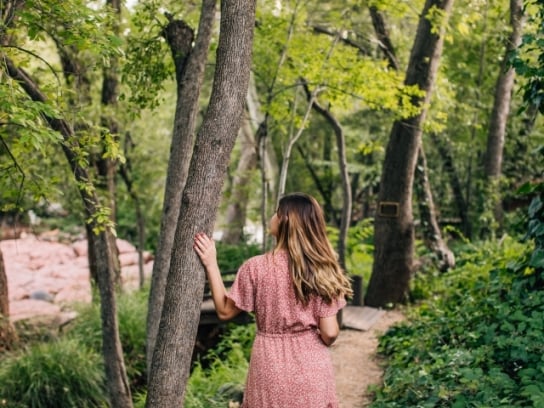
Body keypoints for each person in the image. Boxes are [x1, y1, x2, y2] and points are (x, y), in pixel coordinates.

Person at [193, 192, 353, 408]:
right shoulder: (321, 270)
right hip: (311, 364)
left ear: (285, 221)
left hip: (269, 364)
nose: (273, 217)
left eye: (276, 213)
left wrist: (211, 263)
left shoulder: (256, 267)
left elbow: (223, 311)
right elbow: (330, 332)